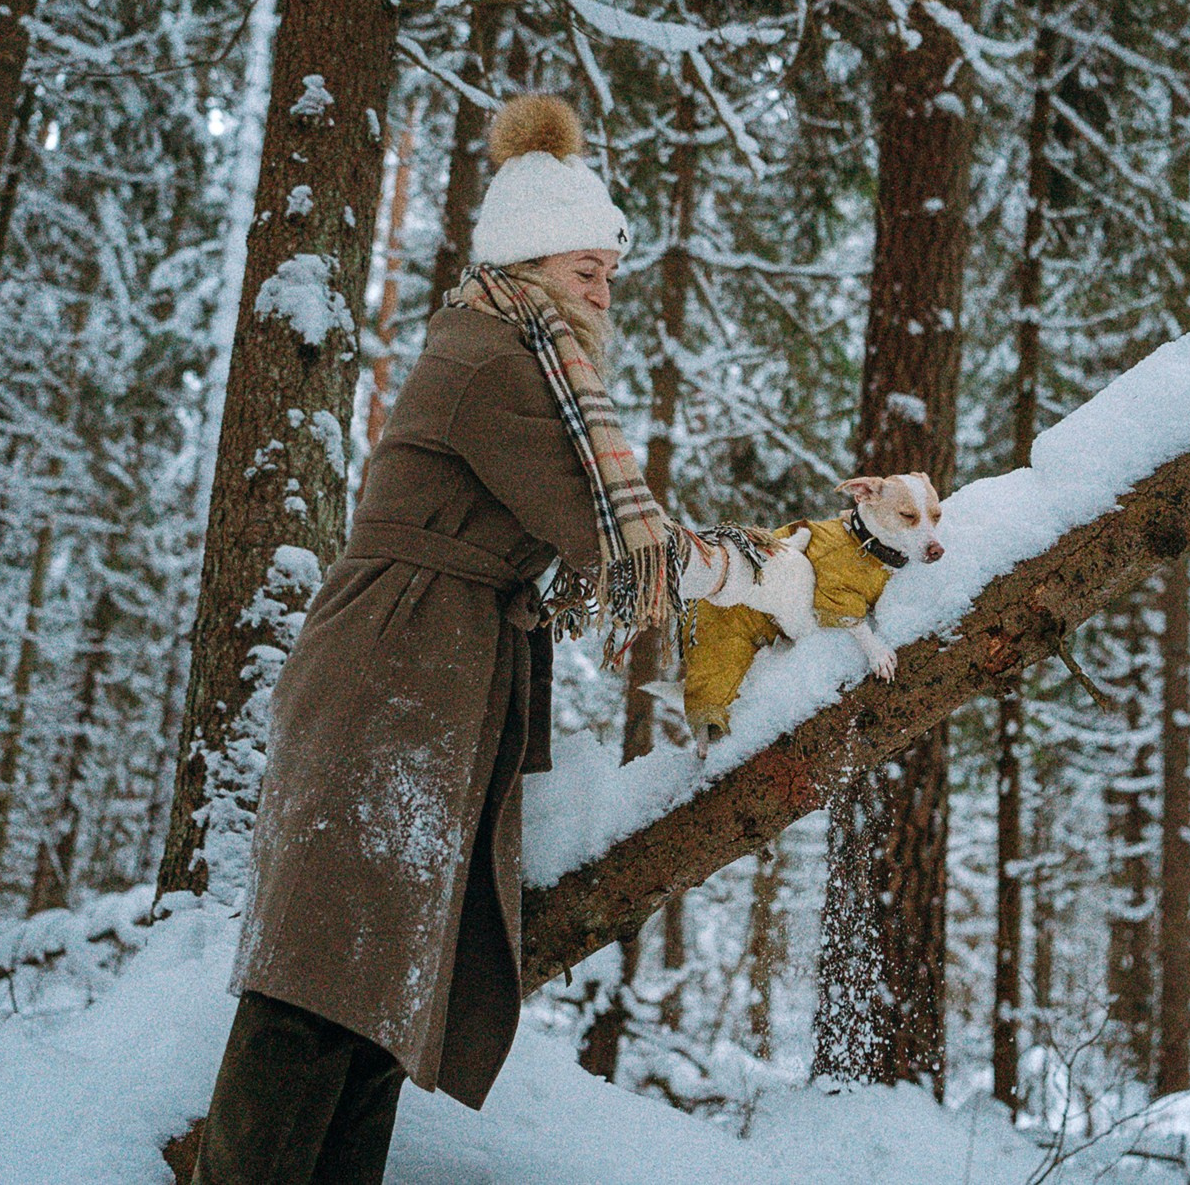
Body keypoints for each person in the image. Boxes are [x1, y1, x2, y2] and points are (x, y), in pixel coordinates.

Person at [190, 94, 802, 1183]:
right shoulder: (492, 356)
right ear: (528, 264)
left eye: (609, 273)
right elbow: (603, 528)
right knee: (321, 975)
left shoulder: (523, 352)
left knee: (378, 989)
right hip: (392, 666)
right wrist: (766, 570)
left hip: (433, 667)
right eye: (586, 270)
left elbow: (605, 524)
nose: (603, 291)